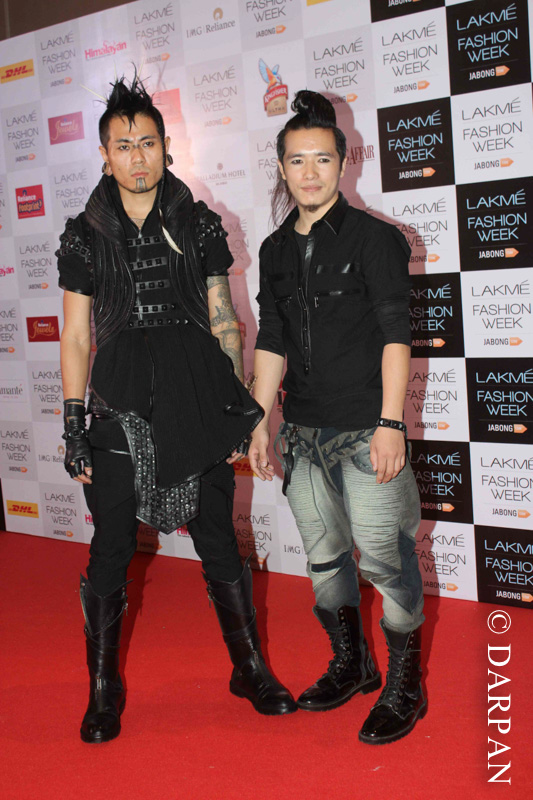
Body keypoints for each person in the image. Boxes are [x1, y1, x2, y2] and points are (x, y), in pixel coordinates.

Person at [57, 75, 296, 744]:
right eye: (123, 145)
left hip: (197, 390)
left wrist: (237, 404)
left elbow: (224, 319)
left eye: (148, 143)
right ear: (105, 155)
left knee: (218, 537)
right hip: (118, 397)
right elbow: (75, 335)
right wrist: (73, 422)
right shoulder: (84, 235)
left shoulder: (197, 222)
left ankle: (248, 668)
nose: (137, 157)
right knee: (111, 546)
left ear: (166, 146)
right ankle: (103, 687)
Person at [250, 90, 426, 745]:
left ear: (343, 162)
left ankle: (406, 686)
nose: (310, 172)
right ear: (281, 167)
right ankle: (352, 665)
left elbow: (395, 334)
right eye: (297, 160)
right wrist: (258, 420)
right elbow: (271, 338)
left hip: (364, 432)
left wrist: (390, 423)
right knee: (325, 563)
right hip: (301, 436)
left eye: (322, 159)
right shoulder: (273, 249)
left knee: (386, 562)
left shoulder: (376, 239)